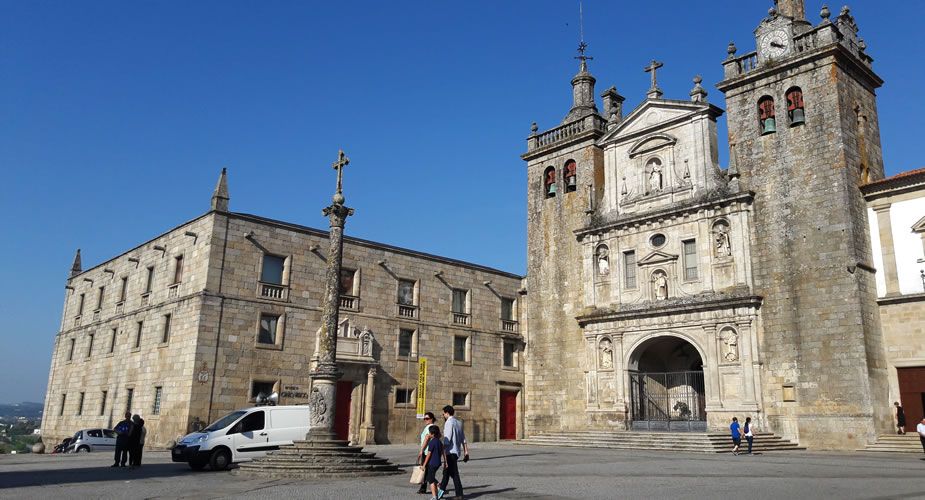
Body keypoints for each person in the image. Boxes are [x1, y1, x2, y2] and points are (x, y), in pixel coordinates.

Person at [438, 405, 469, 500]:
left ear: (447, 413)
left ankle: (459, 494)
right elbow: (463, 439)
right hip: (456, 452)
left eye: (443, 413)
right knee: (446, 474)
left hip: (449, 452)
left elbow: (447, 439)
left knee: (454, 474)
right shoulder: (459, 423)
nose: (443, 415)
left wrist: (441, 450)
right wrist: (466, 452)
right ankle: (440, 494)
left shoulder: (449, 422)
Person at [422, 425, 446, 500]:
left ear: (432, 433)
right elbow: (443, 452)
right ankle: (439, 487)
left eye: (429, 432)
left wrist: (424, 465)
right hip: (438, 462)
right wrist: (445, 462)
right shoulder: (439, 442)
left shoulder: (432, 442)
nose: (428, 434)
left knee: (430, 479)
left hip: (432, 463)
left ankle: (435, 496)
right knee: (430, 477)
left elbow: (428, 455)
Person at [416, 412, 437, 494]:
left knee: (425, 470)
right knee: (426, 470)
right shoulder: (431, 427)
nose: (425, 420)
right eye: (424, 418)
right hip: (428, 451)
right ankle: (423, 487)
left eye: (427, 418)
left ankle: (436, 485)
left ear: (431, 419)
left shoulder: (430, 427)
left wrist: (421, 450)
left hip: (427, 451)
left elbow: (427, 439)